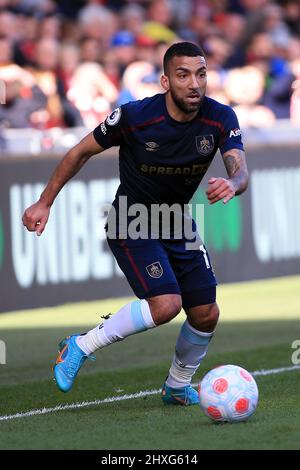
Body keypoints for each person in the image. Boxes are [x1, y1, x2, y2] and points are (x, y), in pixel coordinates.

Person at [22, 42, 248, 405]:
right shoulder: (135, 117)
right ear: (165, 81)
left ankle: (176, 385)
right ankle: (80, 345)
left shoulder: (221, 118)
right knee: (166, 305)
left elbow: (240, 169)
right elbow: (80, 151)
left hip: (176, 220)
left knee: (206, 313)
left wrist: (234, 183)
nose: (194, 83)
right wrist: (44, 202)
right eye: (183, 75)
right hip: (131, 219)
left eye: (201, 74)